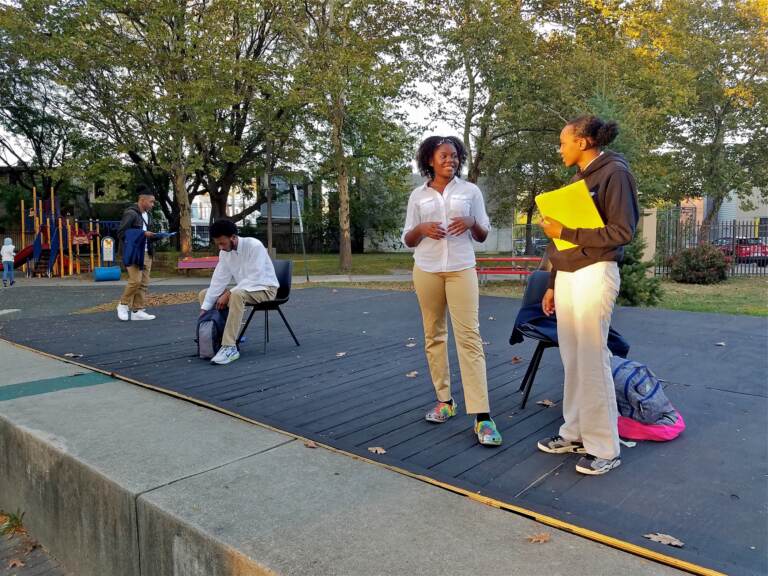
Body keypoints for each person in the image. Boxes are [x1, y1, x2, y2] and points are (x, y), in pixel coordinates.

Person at [537, 115, 639, 475]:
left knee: (593, 359)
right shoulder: (579, 180)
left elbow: (621, 230)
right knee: (573, 357)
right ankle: (575, 432)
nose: (560, 148)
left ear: (582, 143)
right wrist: (552, 283)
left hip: (596, 273)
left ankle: (604, 447)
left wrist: (566, 228)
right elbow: (561, 241)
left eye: (563, 142)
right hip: (568, 275)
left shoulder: (615, 173)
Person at [401, 135, 502, 447]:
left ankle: (482, 416)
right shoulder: (418, 195)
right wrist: (421, 229)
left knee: (469, 337)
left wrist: (472, 221)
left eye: (455, 155)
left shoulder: (470, 191)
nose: (451, 160)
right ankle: (445, 401)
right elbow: (408, 237)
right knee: (434, 335)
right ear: (430, 160)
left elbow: (483, 234)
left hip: (461, 269)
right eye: (444, 156)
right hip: (427, 269)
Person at [198, 219, 279, 365]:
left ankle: (229, 346)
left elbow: (256, 277)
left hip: (266, 288)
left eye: (223, 243)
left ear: (233, 237)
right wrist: (205, 308)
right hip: (244, 289)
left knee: (236, 295)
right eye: (218, 244)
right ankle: (215, 338)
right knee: (205, 294)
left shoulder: (254, 245)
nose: (220, 247)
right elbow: (218, 280)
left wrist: (228, 293)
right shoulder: (224, 253)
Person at [117, 187, 157, 321]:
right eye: (151, 202)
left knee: (144, 283)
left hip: (147, 252)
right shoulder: (131, 213)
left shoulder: (148, 215)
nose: (153, 204)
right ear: (142, 200)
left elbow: (147, 233)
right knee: (135, 281)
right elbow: (121, 233)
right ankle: (122, 305)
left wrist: (155, 236)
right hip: (134, 253)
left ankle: (137, 311)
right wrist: (142, 234)